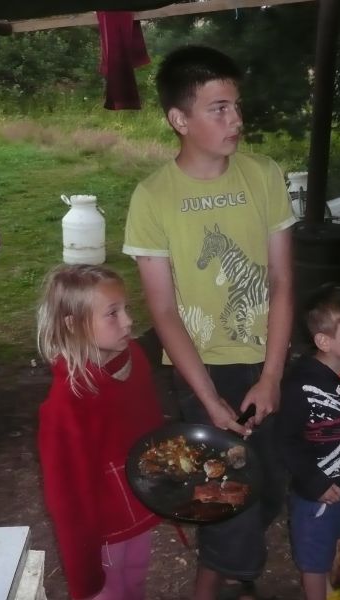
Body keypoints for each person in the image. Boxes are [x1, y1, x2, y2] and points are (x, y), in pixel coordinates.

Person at [122, 45, 296, 600]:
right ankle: (215, 585)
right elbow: (164, 310)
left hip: (266, 356)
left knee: (269, 485)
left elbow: (281, 281)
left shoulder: (264, 175)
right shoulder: (152, 198)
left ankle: (231, 573)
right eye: (219, 109)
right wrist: (209, 398)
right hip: (202, 369)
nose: (236, 120)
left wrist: (271, 376)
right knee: (227, 495)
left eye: (236, 106)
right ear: (180, 119)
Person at [36, 264, 164, 600]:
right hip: (103, 527)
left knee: (136, 576)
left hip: (140, 501)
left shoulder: (134, 359)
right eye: (112, 314)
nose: (129, 321)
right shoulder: (67, 404)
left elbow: (151, 428)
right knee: (109, 590)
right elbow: (66, 497)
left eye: (126, 309)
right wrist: (83, 572)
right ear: (74, 324)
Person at [277, 284, 340, 600]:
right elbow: (286, 440)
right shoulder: (301, 385)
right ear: (324, 341)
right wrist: (315, 483)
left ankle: (326, 587)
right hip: (316, 495)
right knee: (313, 558)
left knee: (333, 539)